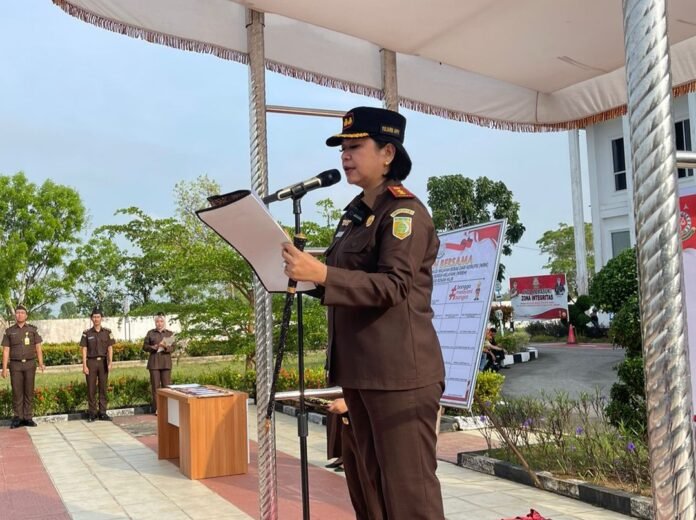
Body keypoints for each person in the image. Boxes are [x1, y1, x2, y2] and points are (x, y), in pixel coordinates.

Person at [282, 106, 446, 519]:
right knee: (370, 491)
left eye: (355, 146)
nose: (345, 155)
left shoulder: (405, 213)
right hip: (361, 373)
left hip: (399, 376)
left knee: (409, 497)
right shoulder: (355, 215)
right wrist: (306, 277)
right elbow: (347, 285)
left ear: (388, 153)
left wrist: (322, 273)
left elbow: (394, 286)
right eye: (343, 148)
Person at [326, 398, 382, 520]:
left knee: (373, 501)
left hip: (369, 426)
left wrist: (350, 403)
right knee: (358, 499)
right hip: (349, 424)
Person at [1, 304, 45, 428]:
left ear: (26, 315)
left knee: (29, 391)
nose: (19, 315)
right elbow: (6, 350)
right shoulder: (9, 331)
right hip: (15, 365)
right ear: (15, 315)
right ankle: (18, 418)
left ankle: (28, 417)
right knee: (17, 391)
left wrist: (41, 363)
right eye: (17, 312)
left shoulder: (32, 330)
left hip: (30, 364)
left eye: (22, 313)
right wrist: (4, 368)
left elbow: (38, 347)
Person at [80, 308, 115, 421]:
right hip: (91, 362)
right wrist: (84, 365)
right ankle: (92, 413)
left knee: (103, 388)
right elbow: (84, 349)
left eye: (98, 317)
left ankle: (103, 412)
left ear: (101, 318)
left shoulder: (107, 332)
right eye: (94, 317)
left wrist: (110, 362)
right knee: (91, 388)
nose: (96, 319)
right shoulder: (87, 333)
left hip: (103, 362)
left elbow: (110, 348)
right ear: (91, 318)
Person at [142, 313, 175, 414]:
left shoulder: (169, 333)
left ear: (164, 322)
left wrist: (165, 347)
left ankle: (168, 409)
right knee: (155, 387)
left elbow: (173, 347)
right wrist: (154, 347)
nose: (159, 323)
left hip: (166, 363)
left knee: (167, 387)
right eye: (157, 321)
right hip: (154, 363)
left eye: (161, 321)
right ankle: (157, 409)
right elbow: (144, 346)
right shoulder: (150, 333)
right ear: (155, 322)